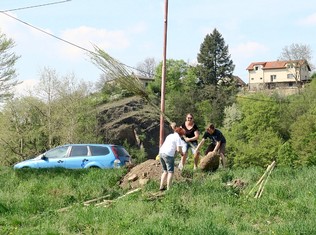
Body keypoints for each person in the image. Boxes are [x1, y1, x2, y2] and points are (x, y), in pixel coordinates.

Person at [159, 123, 185, 191]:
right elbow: (179, 149)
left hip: (161, 153)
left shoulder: (170, 135)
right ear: (181, 134)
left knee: (165, 171)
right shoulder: (178, 138)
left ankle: (161, 186)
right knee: (170, 172)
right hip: (168, 155)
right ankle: (168, 189)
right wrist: (182, 154)